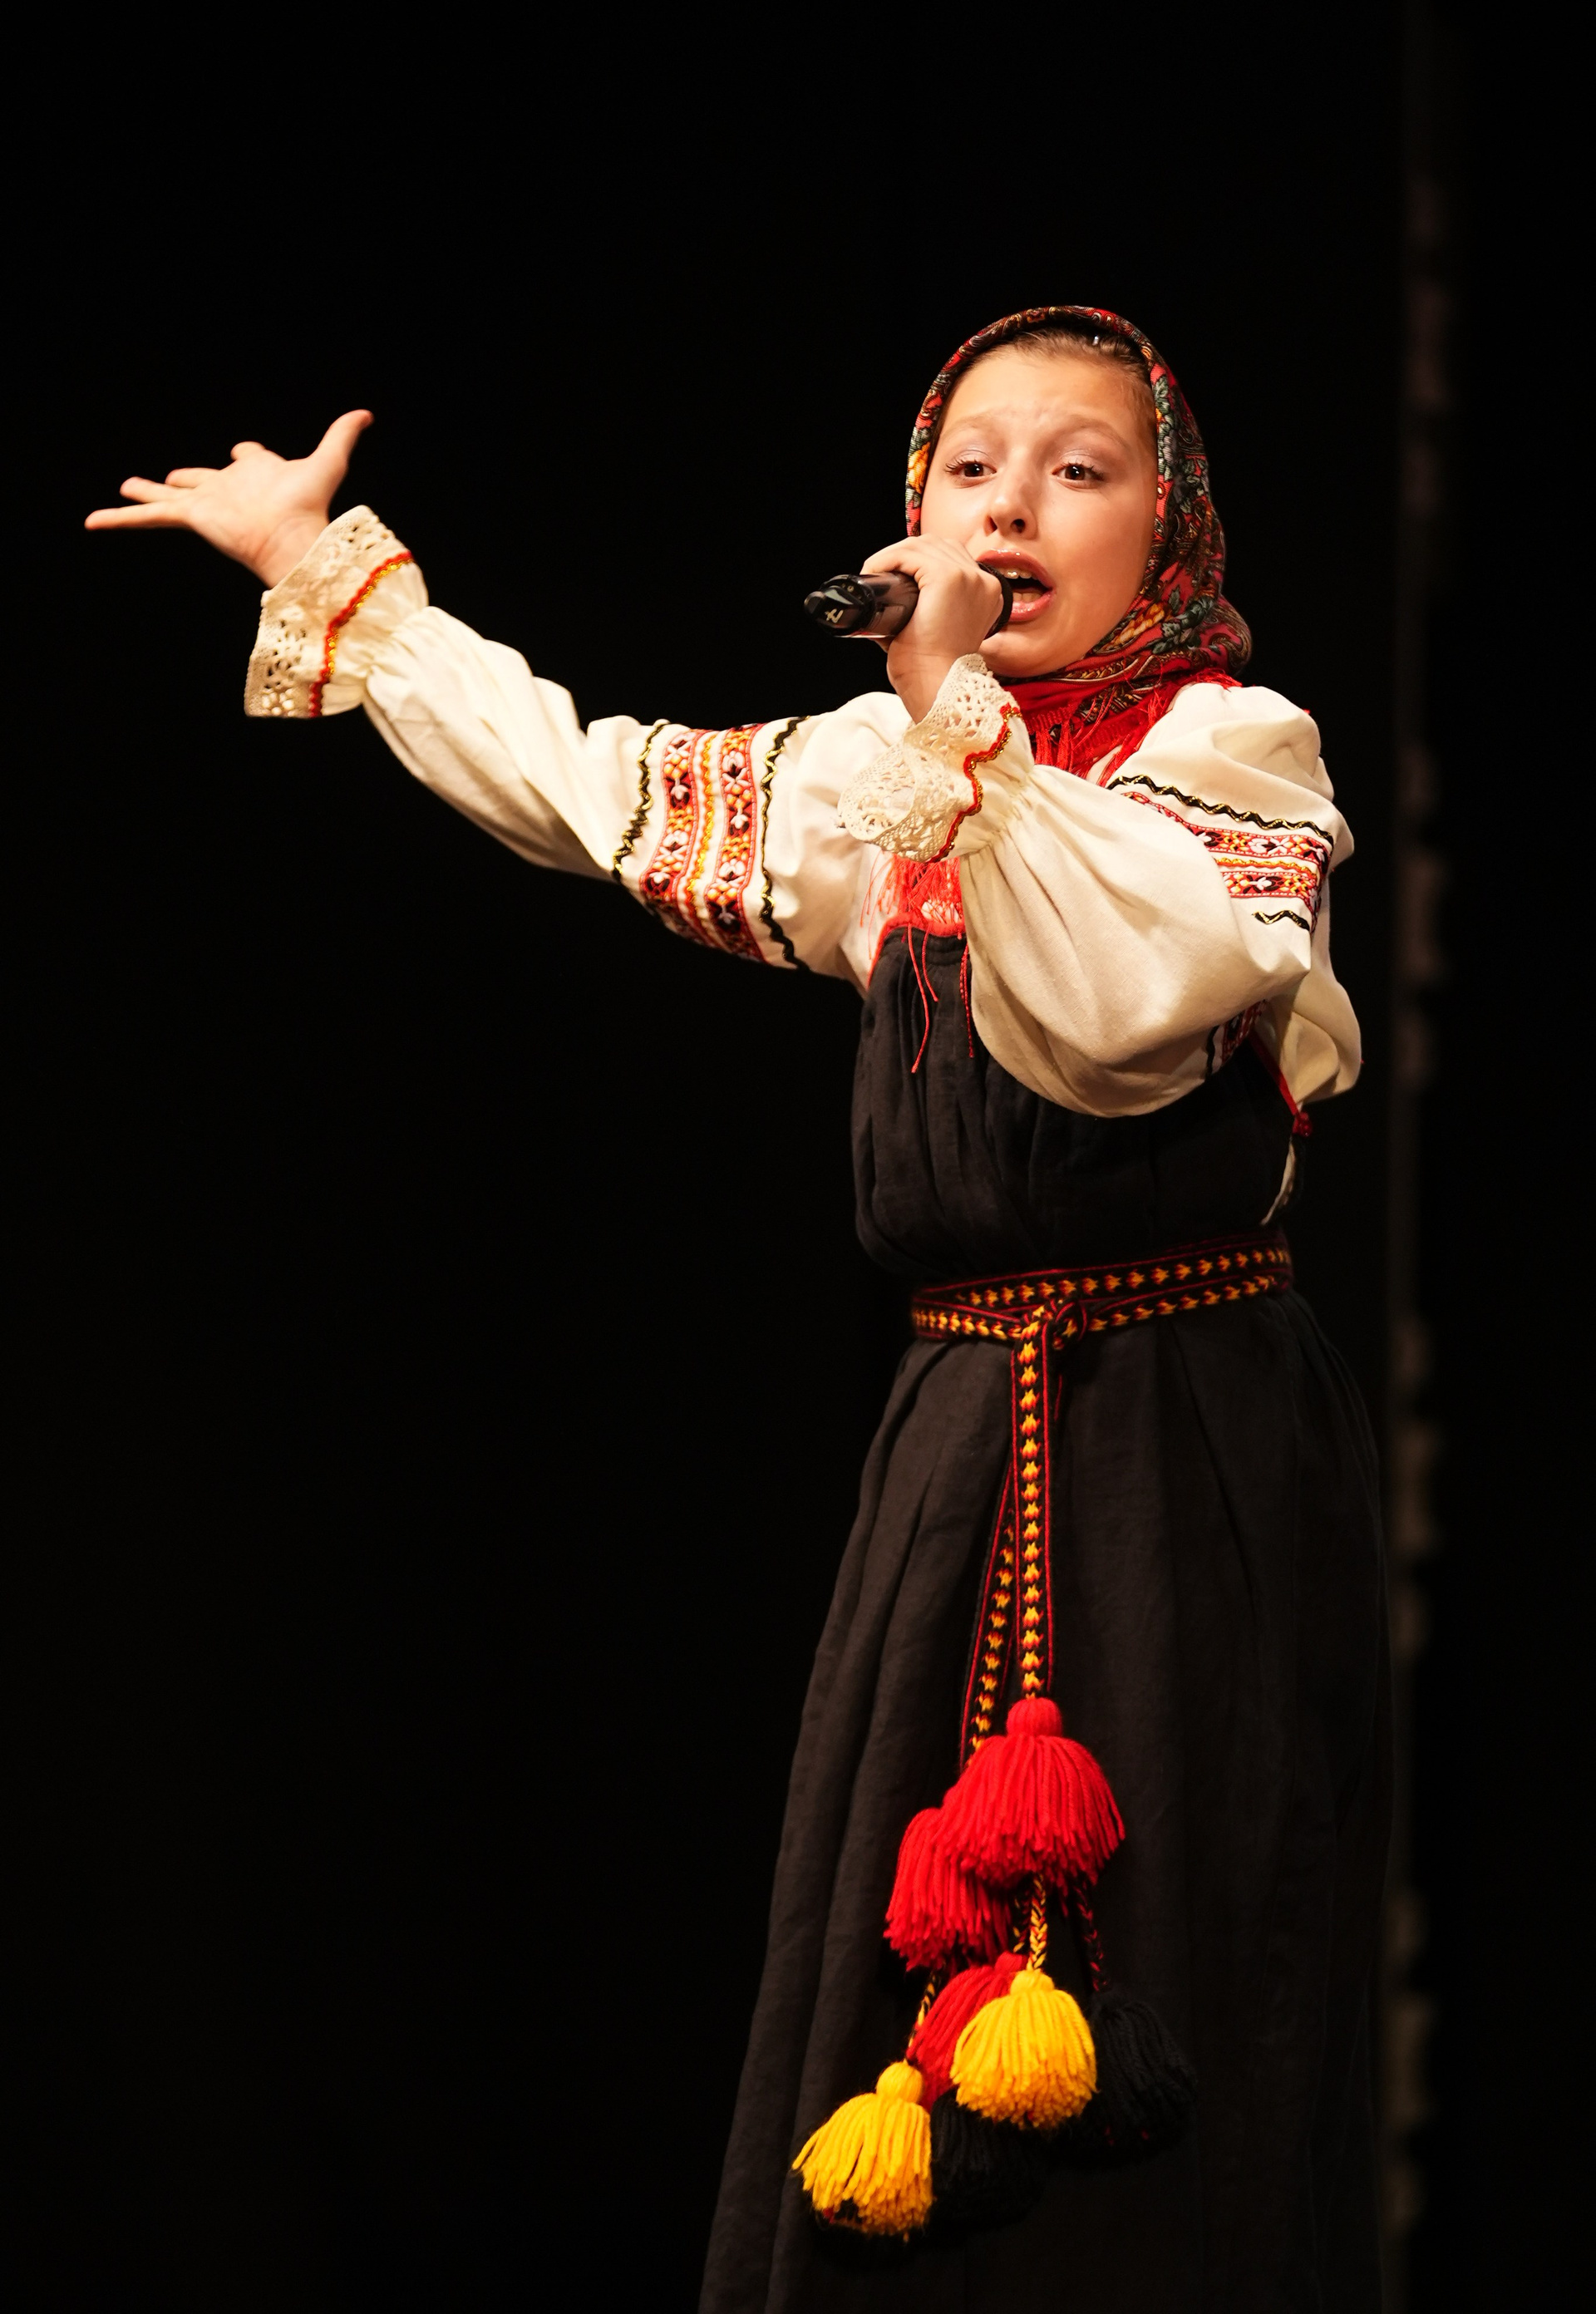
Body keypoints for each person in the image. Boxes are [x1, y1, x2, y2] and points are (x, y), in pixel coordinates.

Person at [87, 306, 1389, 2312]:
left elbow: (1124, 1014)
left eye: (1077, 471)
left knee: (1189, 1945)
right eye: (970, 470)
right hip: (959, 1440)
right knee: (892, 1969)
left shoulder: (1226, 754)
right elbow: (598, 789)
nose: (1009, 510)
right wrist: (340, 583)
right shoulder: (889, 769)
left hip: (1185, 1432)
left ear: (1169, 525)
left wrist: (957, 723)